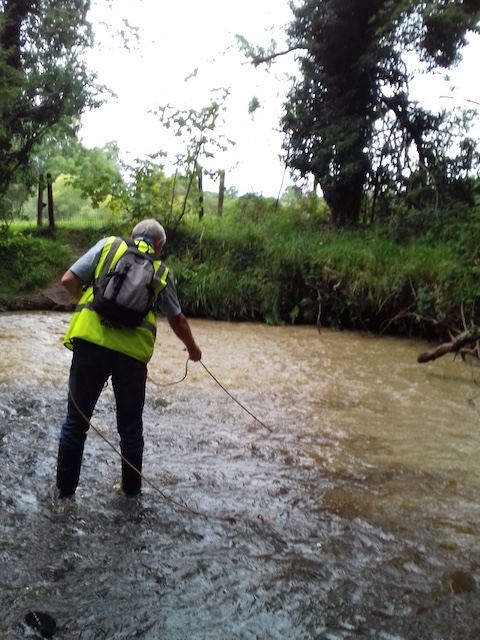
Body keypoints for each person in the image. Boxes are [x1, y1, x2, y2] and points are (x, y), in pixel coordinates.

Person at [56, 218, 202, 498]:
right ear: (159, 245)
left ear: (133, 236)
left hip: (90, 345)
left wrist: (91, 300)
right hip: (131, 359)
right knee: (131, 431)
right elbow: (178, 320)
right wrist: (193, 350)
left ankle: (63, 496)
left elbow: (68, 280)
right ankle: (131, 497)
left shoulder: (109, 246)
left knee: (76, 423)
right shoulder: (160, 271)